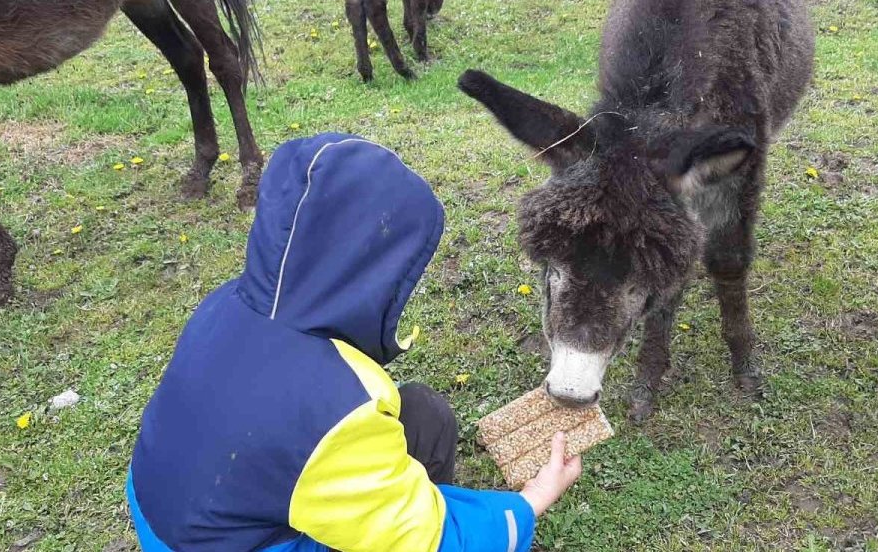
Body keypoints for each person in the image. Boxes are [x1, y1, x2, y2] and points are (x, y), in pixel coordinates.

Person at [127, 133, 583, 552]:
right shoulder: (335, 412)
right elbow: (435, 541)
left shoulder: (223, 305)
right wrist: (532, 499)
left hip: (178, 524)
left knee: (422, 415)